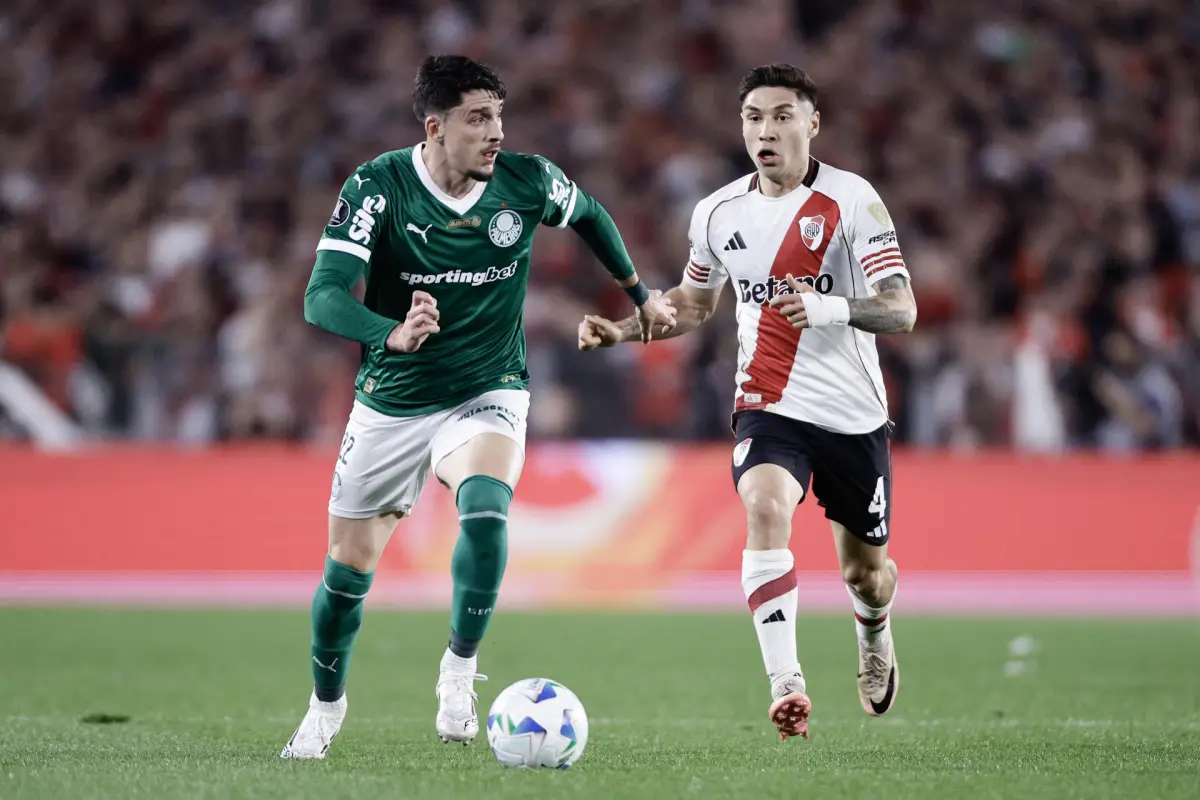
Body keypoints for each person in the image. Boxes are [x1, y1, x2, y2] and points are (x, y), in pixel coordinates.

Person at [281, 54, 676, 759]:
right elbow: (322, 296)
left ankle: (459, 669)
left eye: (499, 116)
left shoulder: (525, 181)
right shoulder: (379, 188)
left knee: (487, 507)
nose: (496, 132)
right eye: (477, 119)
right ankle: (324, 708)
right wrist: (390, 332)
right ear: (435, 127)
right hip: (394, 403)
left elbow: (588, 213)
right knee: (346, 573)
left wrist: (637, 293)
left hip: (488, 388)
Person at [577, 63, 916, 741]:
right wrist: (623, 327)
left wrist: (829, 307)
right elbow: (696, 306)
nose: (766, 129)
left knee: (867, 573)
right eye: (754, 116)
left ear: (812, 124)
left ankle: (874, 632)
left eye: (783, 115)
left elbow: (901, 309)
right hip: (768, 404)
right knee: (764, 507)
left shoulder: (852, 202)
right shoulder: (717, 212)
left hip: (853, 414)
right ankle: (786, 684)